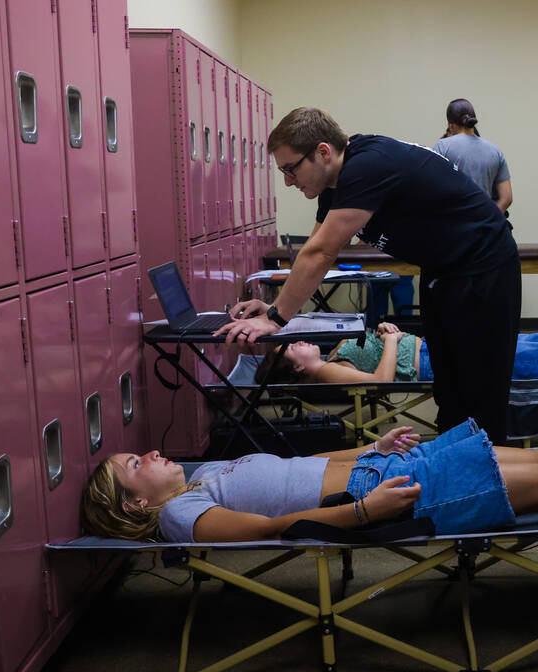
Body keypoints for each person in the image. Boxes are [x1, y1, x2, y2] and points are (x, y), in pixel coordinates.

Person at [215, 107, 521, 444]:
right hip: (446, 271)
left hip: (483, 267)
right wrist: (272, 303)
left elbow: (322, 254)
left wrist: (275, 317)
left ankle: (495, 483)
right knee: (449, 391)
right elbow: (313, 252)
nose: (288, 181)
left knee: (481, 394)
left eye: (291, 169)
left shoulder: (366, 166)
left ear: (323, 152)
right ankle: (454, 479)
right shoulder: (336, 185)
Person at [79, 422, 538, 544]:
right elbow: (276, 527)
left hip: (384, 469)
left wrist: (369, 447)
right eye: (133, 467)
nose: (145, 453)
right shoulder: (182, 517)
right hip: (383, 496)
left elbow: (297, 473)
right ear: (139, 503)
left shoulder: (199, 480)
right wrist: (369, 510)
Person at [260, 322, 538, 385]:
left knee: (526, 342)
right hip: (429, 363)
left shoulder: (331, 357)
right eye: (290, 349)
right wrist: (391, 341)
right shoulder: (327, 370)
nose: (297, 342)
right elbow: (380, 381)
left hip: (429, 349)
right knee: (524, 356)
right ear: (298, 369)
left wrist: (383, 333)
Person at [432, 99, 513, 215]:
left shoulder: (442, 146)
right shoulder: (495, 151)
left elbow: (431, 187)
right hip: (484, 227)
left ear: (450, 125)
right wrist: (489, 219)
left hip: (455, 224)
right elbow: (507, 198)